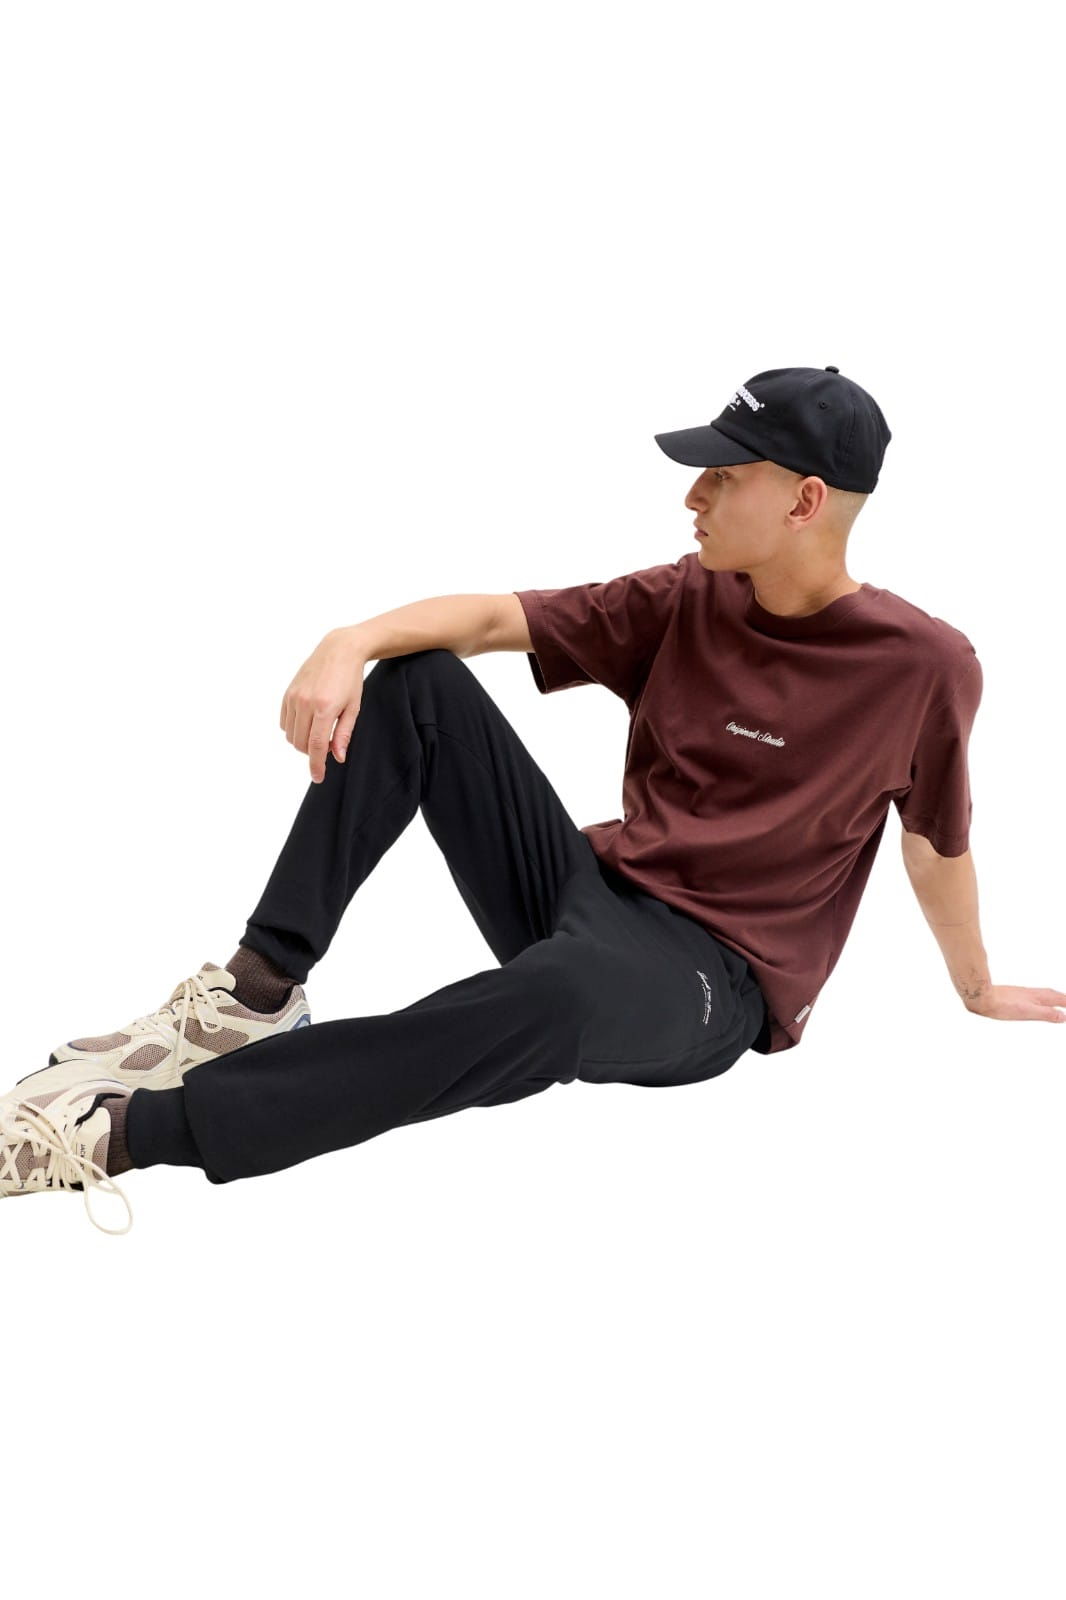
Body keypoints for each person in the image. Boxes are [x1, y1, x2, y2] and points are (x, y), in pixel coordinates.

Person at [4, 364, 1063, 1235]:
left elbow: (936, 839)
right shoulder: (689, 594)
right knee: (417, 683)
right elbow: (487, 621)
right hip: (586, 890)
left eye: (722, 476)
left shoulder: (921, 664)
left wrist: (975, 987)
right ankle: (257, 992)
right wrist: (349, 639)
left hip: (712, 978)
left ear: (803, 502)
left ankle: (126, 1135)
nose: (691, 498)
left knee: (550, 996)